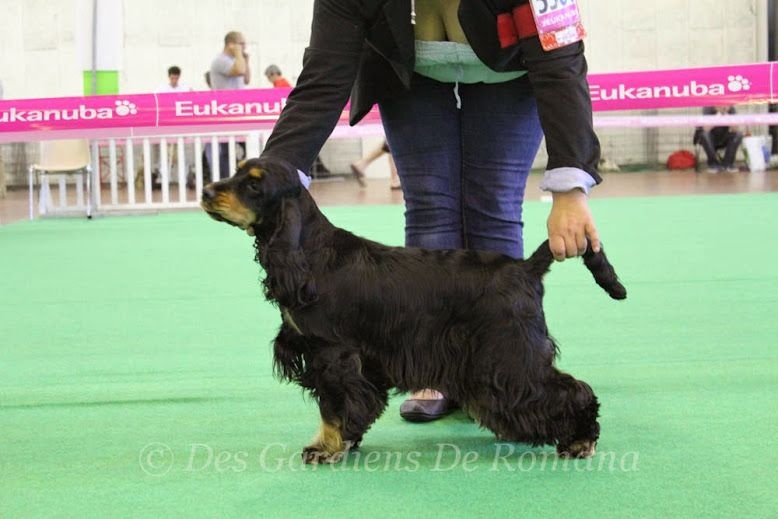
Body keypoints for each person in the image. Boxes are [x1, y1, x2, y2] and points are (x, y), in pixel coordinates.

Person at [257, 0, 603, 422]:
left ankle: (507, 368)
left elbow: (561, 66)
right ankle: (432, 369)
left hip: (510, 71)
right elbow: (322, 79)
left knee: (493, 205)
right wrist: (271, 178)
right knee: (430, 206)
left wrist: (571, 189)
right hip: (412, 72)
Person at [208, 31, 251, 180]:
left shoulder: (236, 60)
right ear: (230, 44)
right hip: (226, 111)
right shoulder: (220, 60)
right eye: (241, 44)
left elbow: (246, 79)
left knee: (245, 146)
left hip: (238, 110)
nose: (244, 47)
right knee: (226, 149)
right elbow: (239, 70)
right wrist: (239, 54)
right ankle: (225, 178)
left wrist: (246, 60)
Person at [694, 105, 743, 173]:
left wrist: (726, 115)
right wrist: (718, 115)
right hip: (710, 139)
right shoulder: (708, 108)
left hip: (723, 137)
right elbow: (706, 129)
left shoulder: (730, 108)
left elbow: (735, 129)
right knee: (705, 135)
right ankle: (714, 164)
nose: (723, 107)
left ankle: (728, 164)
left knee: (738, 134)